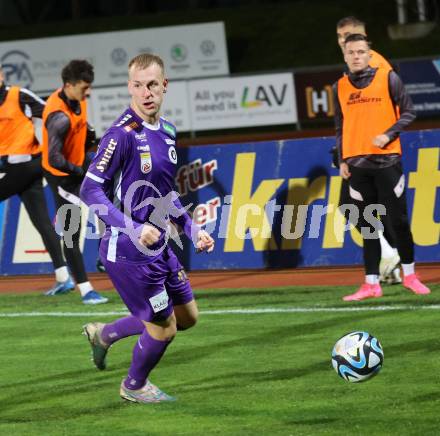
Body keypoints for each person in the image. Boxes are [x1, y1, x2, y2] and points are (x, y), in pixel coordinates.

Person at [80, 53, 214, 403]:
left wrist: (190, 228)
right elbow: (89, 190)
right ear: (129, 88)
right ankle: (134, 386)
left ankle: (105, 334)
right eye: (138, 86)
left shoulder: (167, 132)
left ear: (164, 85)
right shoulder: (120, 136)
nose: (146, 93)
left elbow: (167, 194)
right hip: (128, 252)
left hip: (159, 246)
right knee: (164, 328)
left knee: (187, 317)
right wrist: (132, 228)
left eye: (152, 84)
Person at [334, 33, 430, 301]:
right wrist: (342, 159)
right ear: (345, 55)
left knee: (398, 222)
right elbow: (340, 125)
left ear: (369, 54)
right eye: (351, 52)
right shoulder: (339, 86)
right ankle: (371, 283)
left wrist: (388, 135)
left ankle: (410, 275)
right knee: (367, 227)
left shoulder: (388, 78)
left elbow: (409, 112)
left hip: (387, 162)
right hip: (357, 166)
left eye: (361, 52)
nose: (356, 56)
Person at [335, 16, 401, 285]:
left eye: (350, 35)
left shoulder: (373, 64)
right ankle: (393, 265)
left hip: (372, 152)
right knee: (370, 209)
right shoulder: (357, 64)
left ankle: (390, 254)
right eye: (340, 37)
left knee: (350, 206)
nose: (344, 41)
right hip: (362, 150)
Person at [0, 63, 75, 294]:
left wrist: (54, 146)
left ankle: (65, 278)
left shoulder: (19, 95)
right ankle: (64, 278)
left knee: (41, 221)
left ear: (1, 76)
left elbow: (53, 115)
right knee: (42, 222)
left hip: (27, 165)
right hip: (16, 170)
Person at [41, 60, 108, 305]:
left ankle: (104, 256)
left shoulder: (77, 99)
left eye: (89, 86)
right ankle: (85, 289)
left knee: (112, 198)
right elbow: (54, 158)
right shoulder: (59, 117)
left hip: (79, 164)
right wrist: (79, 172)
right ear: (69, 86)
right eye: (83, 87)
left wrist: (88, 132)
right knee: (72, 231)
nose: (88, 92)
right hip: (63, 176)